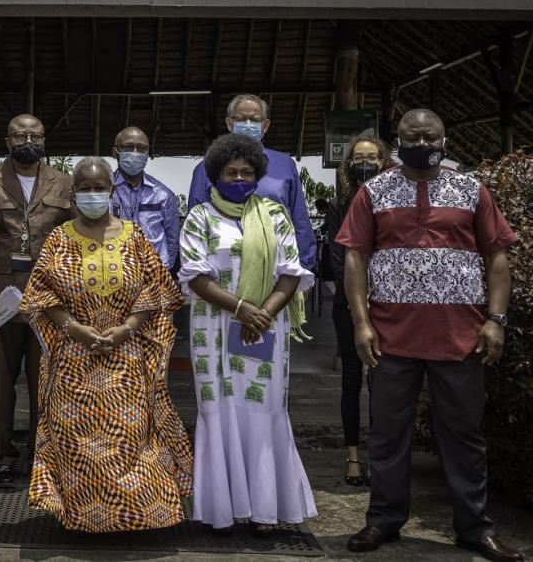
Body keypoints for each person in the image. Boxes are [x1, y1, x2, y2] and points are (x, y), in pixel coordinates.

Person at [338, 109, 524, 562]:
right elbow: (355, 260)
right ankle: (383, 519)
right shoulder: (374, 192)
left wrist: (495, 320)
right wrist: (362, 323)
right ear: (396, 140)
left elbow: (496, 257)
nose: (421, 140)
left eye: (430, 134)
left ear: (444, 138)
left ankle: (475, 528)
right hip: (390, 336)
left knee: (463, 434)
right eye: (410, 135)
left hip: (460, 336)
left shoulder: (470, 190)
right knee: (386, 434)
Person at [20, 157, 193, 532]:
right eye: (85, 189)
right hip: (73, 361)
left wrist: (127, 329)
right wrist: (76, 329)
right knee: (75, 442)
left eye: (100, 188)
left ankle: (133, 518)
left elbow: (159, 290)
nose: (93, 195)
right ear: (72, 195)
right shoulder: (58, 240)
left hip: (126, 359)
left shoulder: (135, 237)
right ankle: (81, 519)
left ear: (111, 192)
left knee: (130, 440)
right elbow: (40, 294)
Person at [179, 133, 316, 536]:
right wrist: (241, 309)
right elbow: (195, 274)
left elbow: (292, 271)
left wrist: (264, 313)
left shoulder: (275, 215)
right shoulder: (200, 217)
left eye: (247, 172)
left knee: (264, 410)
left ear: (258, 175)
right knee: (219, 410)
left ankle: (265, 509)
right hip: (214, 329)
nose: (239, 178)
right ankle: (223, 509)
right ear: (214, 176)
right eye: (230, 172)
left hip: (265, 327)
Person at [0, 114, 73, 486]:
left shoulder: (66, 183)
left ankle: (44, 453)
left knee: (47, 381)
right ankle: (3, 456)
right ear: (7, 141)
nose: (28, 139)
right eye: (19, 134)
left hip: (50, 300)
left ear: (44, 140)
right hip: (0, 300)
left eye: (35, 134)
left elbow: (76, 239)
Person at [325, 135, 392, 487]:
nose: (365, 163)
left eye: (372, 157)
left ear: (384, 161)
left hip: (389, 307)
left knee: (385, 382)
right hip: (349, 307)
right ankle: (352, 457)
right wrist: (357, 303)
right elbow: (339, 258)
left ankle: (382, 458)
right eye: (358, 157)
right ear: (348, 164)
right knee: (351, 380)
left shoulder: (396, 201)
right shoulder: (341, 204)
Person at [187, 94, 316, 270]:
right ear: (229, 124)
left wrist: (305, 266)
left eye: (254, 120)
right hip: (223, 269)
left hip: (277, 266)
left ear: (265, 126)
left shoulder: (284, 164)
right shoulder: (206, 167)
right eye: (241, 119)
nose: (248, 124)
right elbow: (195, 223)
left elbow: (299, 217)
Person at [110, 126, 180, 269]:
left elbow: (173, 240)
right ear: (115, 152)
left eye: (141, 148)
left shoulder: (163, 195)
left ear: (148, 153)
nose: (135, 153)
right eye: (128, 147)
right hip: (115, 274)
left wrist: (163, 271)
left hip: (155, 275)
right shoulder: (104, 190)